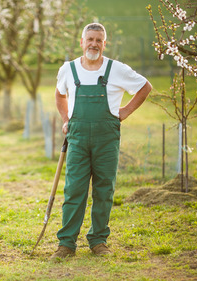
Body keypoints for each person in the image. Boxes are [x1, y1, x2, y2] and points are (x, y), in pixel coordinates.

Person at [51, 23, 152, 259]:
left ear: (105, 44)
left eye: (99, 40)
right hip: (77, 139)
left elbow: (145, 87)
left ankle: (98, 241)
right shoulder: (69, 69)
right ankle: (66, 244)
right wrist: (66, 118)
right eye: (90, 39)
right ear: (82, 42)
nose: (94, 44)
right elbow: (59, 94)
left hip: (106, 140)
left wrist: (124, 111)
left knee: (104, 190)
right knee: (74, 190)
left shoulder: (117, 69)